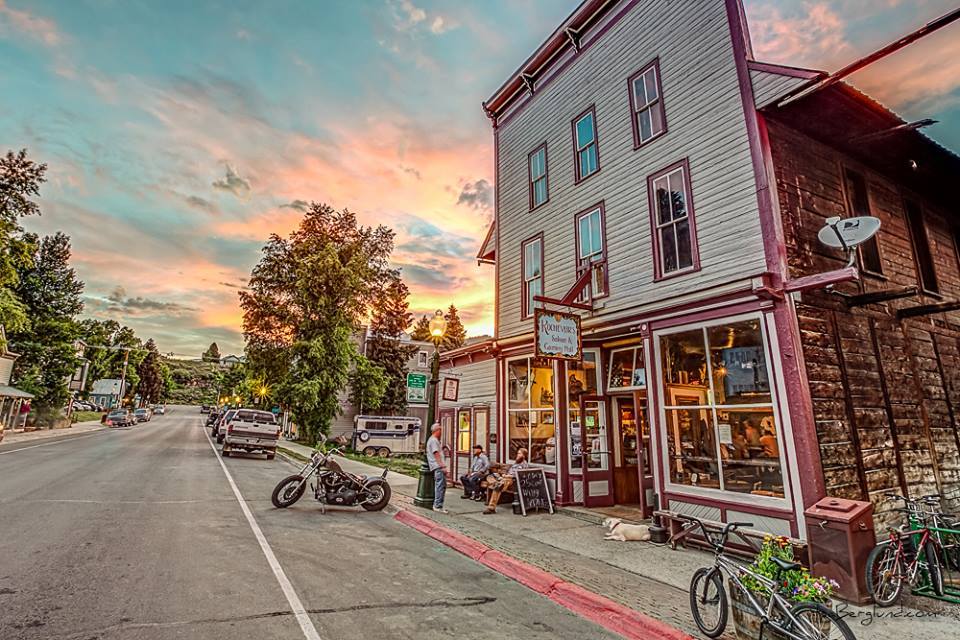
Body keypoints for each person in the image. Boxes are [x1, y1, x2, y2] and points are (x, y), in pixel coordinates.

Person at [483, 448, 529, 515]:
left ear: (524, 455)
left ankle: (491, 508)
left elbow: (517, 475)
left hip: (513, 481)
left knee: (499, 485)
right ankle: (497, 482)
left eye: (519, 454)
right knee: (490, 476)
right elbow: (510, 471)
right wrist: (504, 475)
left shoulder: (523, 464)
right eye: (517, 453)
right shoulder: (517, 462)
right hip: (506, 478)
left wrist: (506, 476)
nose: (517, 455)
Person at [426, 423, 448, 514]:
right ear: (437, 430)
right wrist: (442, 466)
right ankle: (437, 505)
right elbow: (436, 453)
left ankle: (438, 504)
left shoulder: (431, 440)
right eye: (441, 430)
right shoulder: (434, 440)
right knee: (440, 486)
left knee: (441, 486)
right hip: (438, 467)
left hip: (436, 467)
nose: (441, 432)